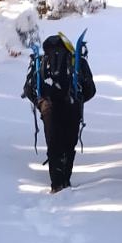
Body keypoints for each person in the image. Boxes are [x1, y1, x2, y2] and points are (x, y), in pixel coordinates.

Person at [21, 32, 96, 192]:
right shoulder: (77, 61)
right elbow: (91, 89)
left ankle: (56, 185)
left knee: (54, 146)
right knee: (69, 146)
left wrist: (40, 103)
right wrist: (79, 99)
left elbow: (28, 89)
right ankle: (65, 181)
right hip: (72, 105)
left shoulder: (39, 61)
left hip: (49, 107)